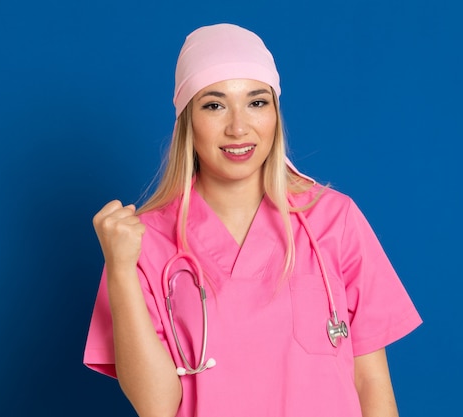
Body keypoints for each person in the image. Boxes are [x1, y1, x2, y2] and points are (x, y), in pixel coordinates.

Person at [84, 23, 422, 417]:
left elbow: (371, 381)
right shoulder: (144, 243)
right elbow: (155, 406)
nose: (239, 127)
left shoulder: (333, 220)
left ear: (276, 113)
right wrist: (121, 269)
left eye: (256, 102)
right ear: (186, 119)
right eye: (214, 104)